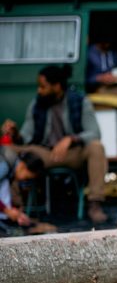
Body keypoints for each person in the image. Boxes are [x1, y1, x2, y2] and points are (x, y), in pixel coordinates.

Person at [16, 65, 109, 224]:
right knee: (9, 151)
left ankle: (95, 204)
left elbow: (94, 133)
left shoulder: (79, 101)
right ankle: (15, 208)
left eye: (43, 86)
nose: (39, 90)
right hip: (45, 154)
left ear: (57, 86)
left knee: (96, 147)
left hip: (72, 154)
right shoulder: (37, 104)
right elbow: (26, 136)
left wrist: (70, 139)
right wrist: (15, 135)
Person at [0, 148, 44, 228]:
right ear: (23, 166)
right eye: (27, 177)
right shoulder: (5, 165)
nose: (24, 180)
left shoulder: (11, 165)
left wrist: (14, 211)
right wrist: (7, 211)